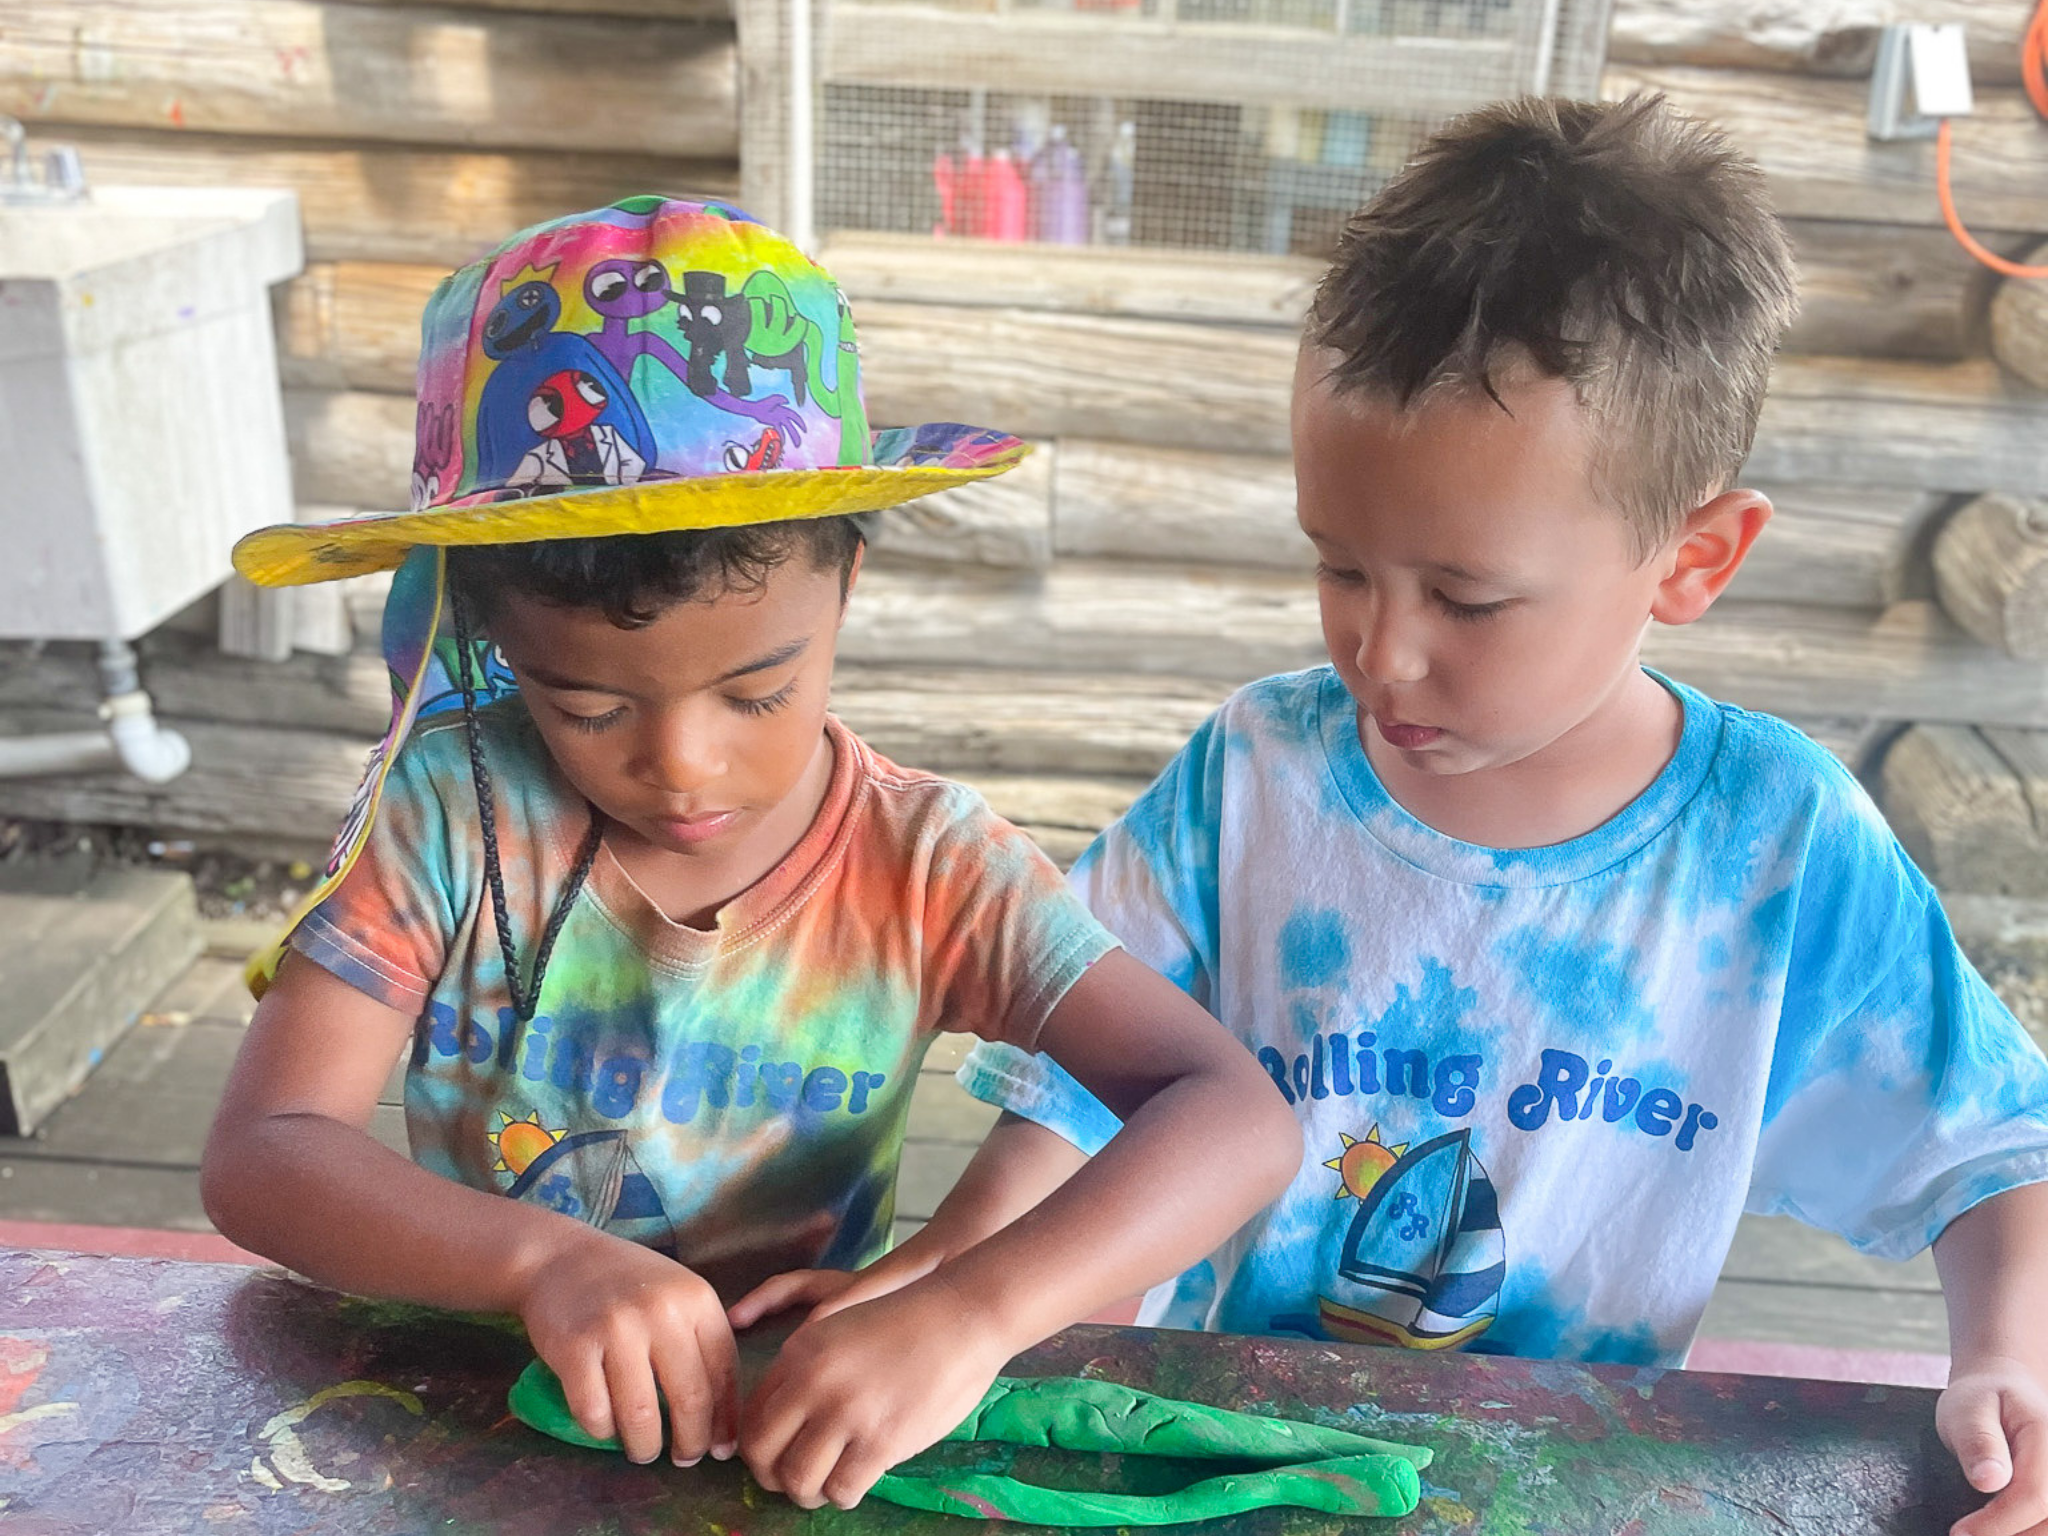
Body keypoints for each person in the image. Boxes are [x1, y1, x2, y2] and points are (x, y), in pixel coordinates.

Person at [838, 95, 2047, 1533]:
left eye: (1466, 599)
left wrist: (2013, 1360)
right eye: (1340, 568)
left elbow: (1994, 1146)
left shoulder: (1777, 845)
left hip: (1569, 1485)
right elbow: (1077, 1084)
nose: (1382, 652)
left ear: (1694, 560)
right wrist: (959, 1286)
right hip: (1228, 1455)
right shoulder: (1258, 773)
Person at [200, 197, 1299, 1514]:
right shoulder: (450, 815)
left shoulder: (928, 866)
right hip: (475, 1429)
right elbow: (264, 1149)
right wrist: (539, 1267)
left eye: (756, 692)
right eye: (587, 707)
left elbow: (1232, 1114)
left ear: (846, 583)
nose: (681, 767)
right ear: (493, 632)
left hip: (795, 1444)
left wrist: (973, 1310)